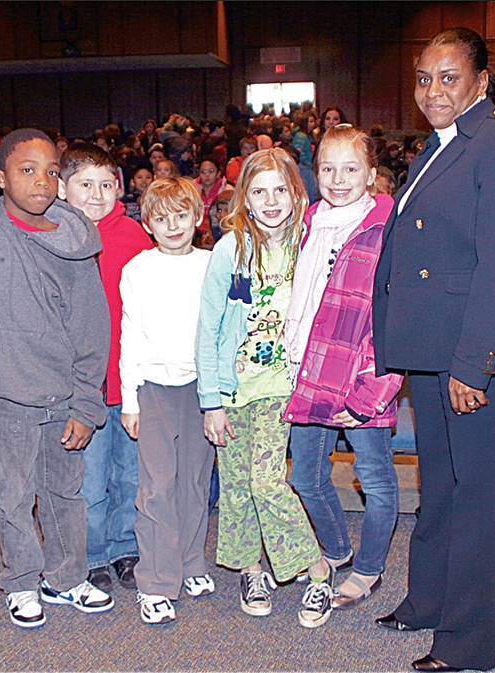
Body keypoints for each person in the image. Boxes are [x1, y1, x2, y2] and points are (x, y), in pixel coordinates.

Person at [372, 28, 495, 672]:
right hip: (437, 350)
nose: (432, 90)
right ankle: (428, 602)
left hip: (485, 354)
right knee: (441, 488)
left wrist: (475, 362)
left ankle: (470, 645)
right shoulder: (436, 148)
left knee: (480, 498)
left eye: (449, 77)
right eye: (423, 77)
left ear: (481, 81)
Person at [0, 128, 113, 629]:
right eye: (26, 169)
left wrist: (85, 404)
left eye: (51, 171)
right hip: (8, 393)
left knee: (65, 494)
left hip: (64, 395)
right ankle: (20, 580)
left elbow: (91, 330)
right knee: (12, 496)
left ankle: (67, 577)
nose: (41, 180)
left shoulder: (75, 242)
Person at [196, 147, 335, 628]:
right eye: (259, 191)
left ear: (297, 194)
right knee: (235, 487)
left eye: (281, 189)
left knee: (266, 482)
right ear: (244, 200)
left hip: (281, 386)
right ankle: (250, 569)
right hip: (234, 390)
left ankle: (316, 569)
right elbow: (208, 329)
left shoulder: (309, 243)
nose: (271, 200)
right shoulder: (228, 250)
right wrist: (209, 401)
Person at [284, 125, 402, 611]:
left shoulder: (385, 229)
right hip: (311, 376)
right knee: (305, 478)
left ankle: (370, 567)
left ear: (371, 175)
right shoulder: (309, 221)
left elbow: (398, 318)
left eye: (350, 168)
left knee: (375, 481)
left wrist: (373, 391)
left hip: (361, 381)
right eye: (327, 168)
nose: (337, 178)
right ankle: (337, 549)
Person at [59, 144, 154, 593]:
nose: (97, 195)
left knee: (130, 474)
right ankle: (92, 553)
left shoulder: (133, 235)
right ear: (62, 187)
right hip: (83, 388)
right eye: (85, 185)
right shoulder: (51, 234)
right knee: (89, 480)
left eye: (105, 185)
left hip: (131, 381)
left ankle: (124, 547)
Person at [119, 177, 214, 624]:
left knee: (194, 483)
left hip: (202, 389)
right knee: (156, 487)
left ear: (198, 218)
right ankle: (156, 581)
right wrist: (129, 399)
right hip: (152, 389)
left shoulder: (212, 264)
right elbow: (130, 334)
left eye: (181, 215)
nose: (172, 225)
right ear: (147, 224)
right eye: (161, 218)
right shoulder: (138, 268)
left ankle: (191, 562)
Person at [195, 157, 227, 236]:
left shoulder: (226, 190)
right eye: (203, 172)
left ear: (218, 173)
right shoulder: (191, 189)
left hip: (219, 231)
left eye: (211, 171)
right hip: (195, 232)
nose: (207, 175)